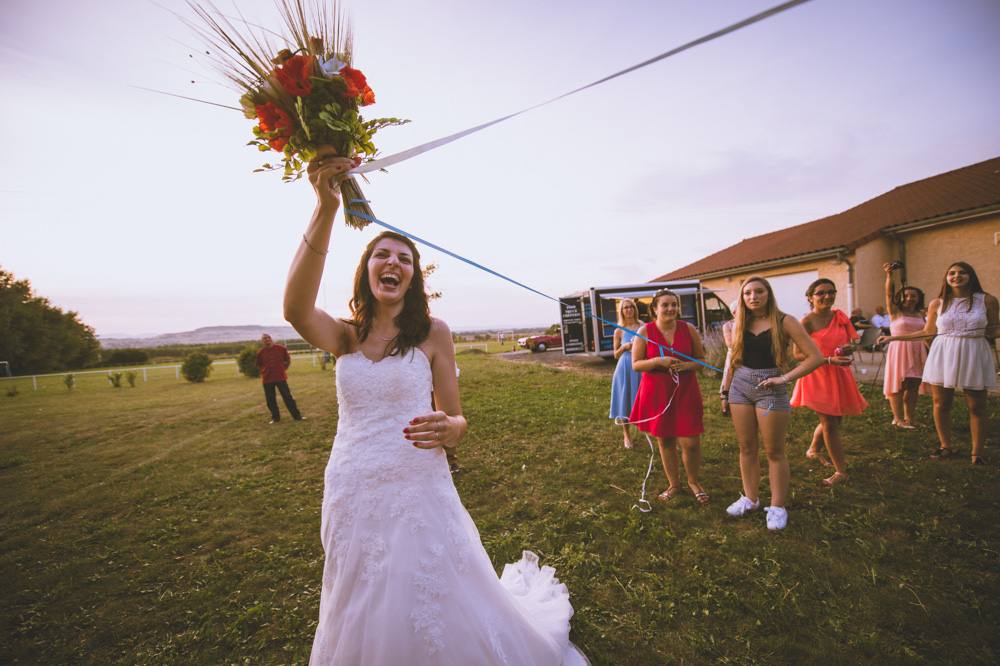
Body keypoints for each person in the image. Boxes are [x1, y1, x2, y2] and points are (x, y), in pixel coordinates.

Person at [284, 148, 588, 665]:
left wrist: (449, 428)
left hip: (418, 482)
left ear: (412, 279)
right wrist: (326, 207)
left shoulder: (434, 335)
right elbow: (293, 308)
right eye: (382, 255)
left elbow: (458, 417)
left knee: (425, 583)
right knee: (357, 587)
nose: (393, 263)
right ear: (367, 271)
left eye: (404, 259)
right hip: (352, 481)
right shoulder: (344, 336)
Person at [721, 277, 823, 530]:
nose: (753, 297)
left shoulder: (785, 321)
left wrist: (784, 378)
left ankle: (777, 507)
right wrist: (724, 391)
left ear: (768, 294)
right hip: (740, 386)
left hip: (771, 387)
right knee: (746, 447)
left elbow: (815, 357)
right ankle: (751, 498)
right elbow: (732, 359)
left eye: (759, 291)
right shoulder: (740, 323)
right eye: (747, 293)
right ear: (742, 298)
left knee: (774, 451)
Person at [878, 262, 998, 465]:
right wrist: (893, 338)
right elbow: (928, 332)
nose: (956, 276)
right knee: (941, 403)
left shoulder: (987, 300)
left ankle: (977, 453)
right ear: (946, 277)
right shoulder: (937, 303)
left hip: (974, 351)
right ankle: (945, 446)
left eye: (962, 273)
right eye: (952, 273)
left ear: (971, 276)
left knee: (976, 405)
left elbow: (995, 330)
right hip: (943, 352)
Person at [629, 289, 709, 505]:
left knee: (690, 441)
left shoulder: (688, 329)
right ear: (655, 309)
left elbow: (701, 359)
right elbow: (636, 364)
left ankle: (693, 481)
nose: (671, 309)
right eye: (665, 305)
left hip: (685, 389)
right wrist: (657, 362)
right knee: (665, 440)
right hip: (657, 392)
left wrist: (687, 365)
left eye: (674, 304)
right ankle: (674, 484)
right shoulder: (645, 331)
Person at [790, 279, 868, 485]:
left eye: (831, 292)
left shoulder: (840, 317)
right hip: (818, 374)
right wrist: (827, 359)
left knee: (836, 420)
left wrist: (847, 349)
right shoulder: (806, 322)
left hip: (840, 373)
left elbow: (846, 343)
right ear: (810, 297)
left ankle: (814, 449)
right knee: (830, 424)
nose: (827, 296)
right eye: (821, 293)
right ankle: (841, 472)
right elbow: (798, 354)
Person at [880, 263, 929, 429]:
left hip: (917, 349)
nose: (909, 298)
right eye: (906, 295)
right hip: (899, 350)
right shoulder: (895, 311)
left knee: (914, 385)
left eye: (913, 296)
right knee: (899, 385)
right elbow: (888, 294)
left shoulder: (920, 313)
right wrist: (889, 276)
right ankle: (898, 418)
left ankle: (911, 418)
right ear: (900, 297)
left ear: (918, 298)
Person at [609, 298, 643, 449]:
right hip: (625, 366)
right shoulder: (618, 330)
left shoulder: (643, 327)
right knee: (625, 399)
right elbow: (615, 354)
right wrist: (625, 347)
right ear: (621, 311)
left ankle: (654, 432)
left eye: (631, 307)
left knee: (645, 399)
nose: (629, 310)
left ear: (635, 309)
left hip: (641, 365)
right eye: (625, 308)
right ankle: (627, 435)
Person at [255, 333, 304, 423]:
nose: (267, 339)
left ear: (271, 338)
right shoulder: (260, 352)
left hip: (280, 377)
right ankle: (275, 418)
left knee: (287, 397)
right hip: (267, 379)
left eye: (268, 337)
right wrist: (266, 370)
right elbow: (259, 365)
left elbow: (288, 360)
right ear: (262, 341)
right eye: (264, 338)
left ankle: (297, 416)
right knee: (270, 400)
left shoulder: (281, 349)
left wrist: (282, 370)